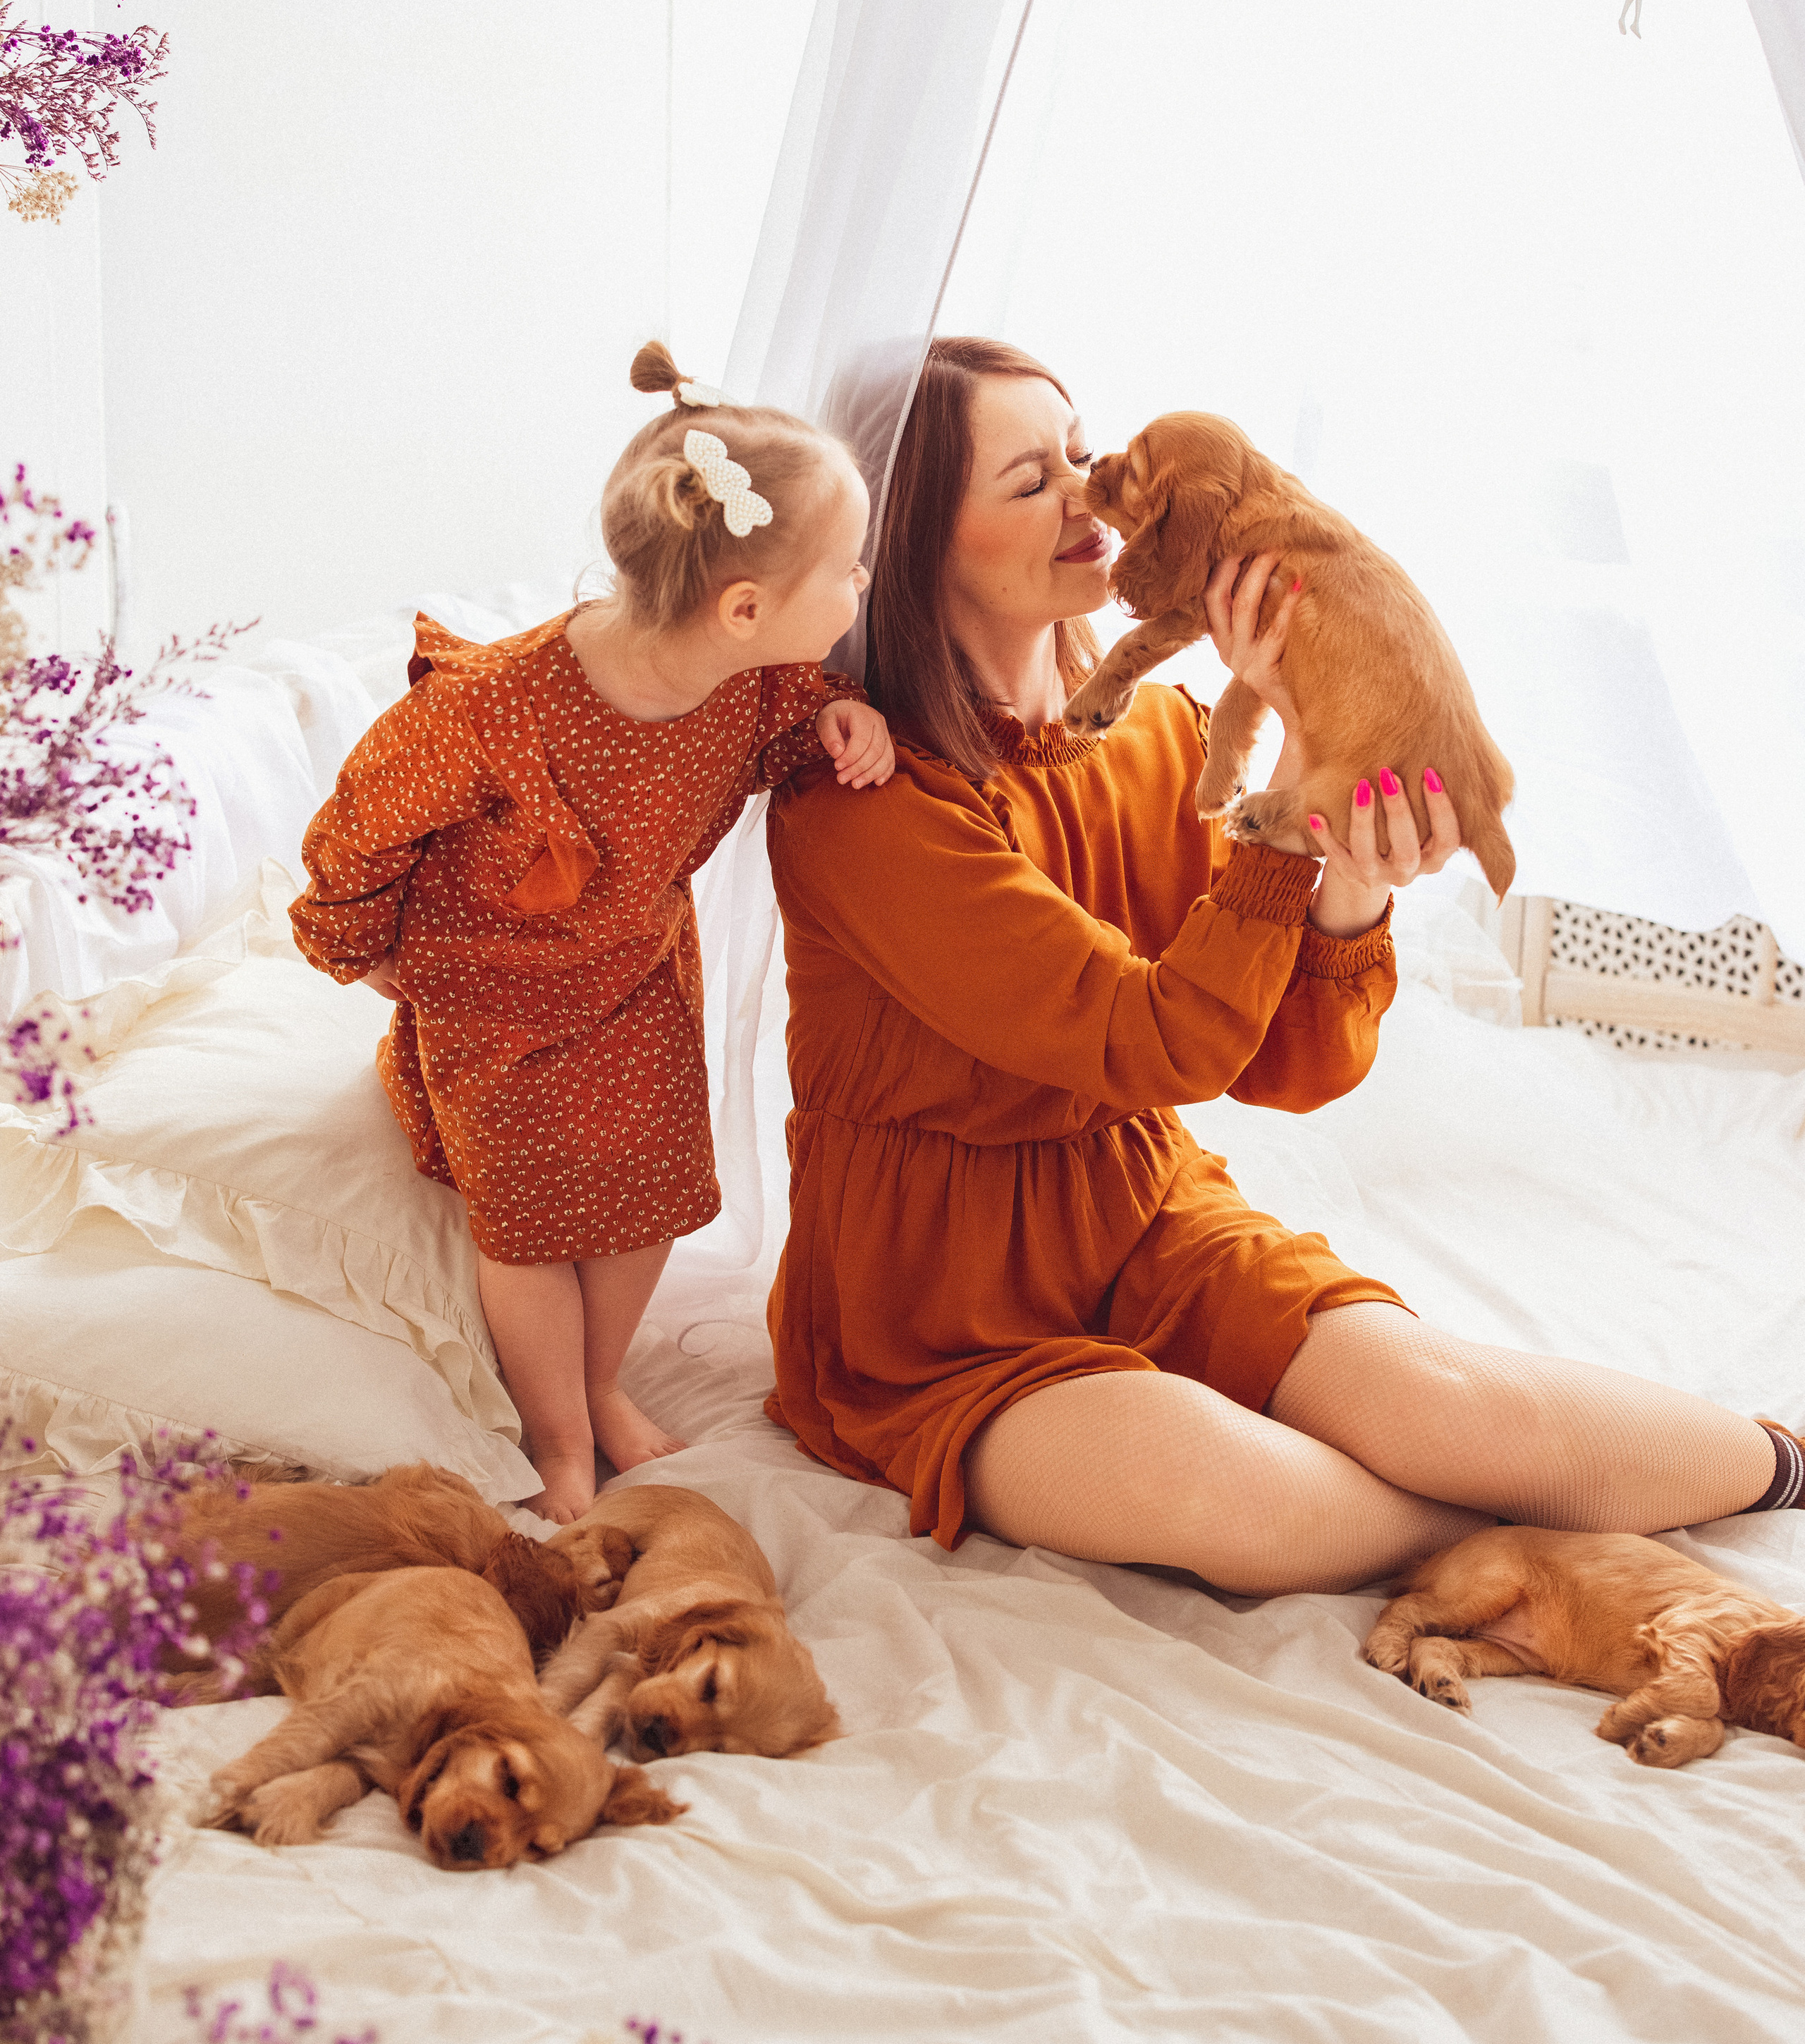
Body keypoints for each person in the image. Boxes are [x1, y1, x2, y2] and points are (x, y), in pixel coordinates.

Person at [761, 335, 1801, 1593]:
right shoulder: (863, 805)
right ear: (921, 535)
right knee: (1248, 1502)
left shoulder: (1160, 731)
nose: (1089, 496)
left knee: (1472, 1417)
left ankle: (1782, 1460)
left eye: (1083, 452)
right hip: (932, 1305)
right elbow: (1151, 1040)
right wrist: (1283, 824)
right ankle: (1530, 1532)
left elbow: (1287, 1067)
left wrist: (1347, 871)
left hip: (1140, 1210)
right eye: (1032, 483)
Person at [291, 346, 894, 1523]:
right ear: (747, 607)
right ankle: (561, 1437)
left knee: (651, 1190)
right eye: (850, 567)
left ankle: (605, 1383)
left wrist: (842, 716)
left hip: (630, 976)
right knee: (525, 1225)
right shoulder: (489, 709)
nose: (864, 584)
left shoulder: (751, 678)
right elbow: (359, 823)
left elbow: (785, 728)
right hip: (493, 1001)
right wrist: (357, 946)